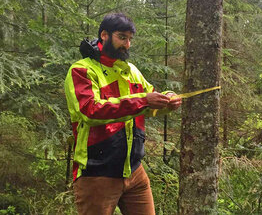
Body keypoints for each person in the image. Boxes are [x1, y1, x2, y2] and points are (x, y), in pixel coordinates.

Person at [64, 13, 182, 215]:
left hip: (134, 170)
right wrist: (144, 100)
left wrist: (166, 101)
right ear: (104, 35)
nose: (127, 45)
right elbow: (90, 111)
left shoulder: (132, 71)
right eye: (122, 37)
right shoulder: (82, 71)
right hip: (97, 173)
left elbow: (150, 103)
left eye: (130, 39)